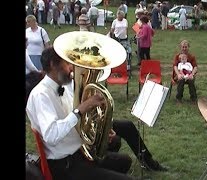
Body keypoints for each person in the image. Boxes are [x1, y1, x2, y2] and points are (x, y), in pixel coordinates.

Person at [26, 47, 133, 180]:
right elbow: (51, 135)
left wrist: (101, 129)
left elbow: (77, 120)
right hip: (65, 164)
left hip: (80, 151)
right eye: (67, 63)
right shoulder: (40, 95)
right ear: (53, 65)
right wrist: (81, 109)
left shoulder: (64, 86)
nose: (71, 68)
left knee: (125, 161)